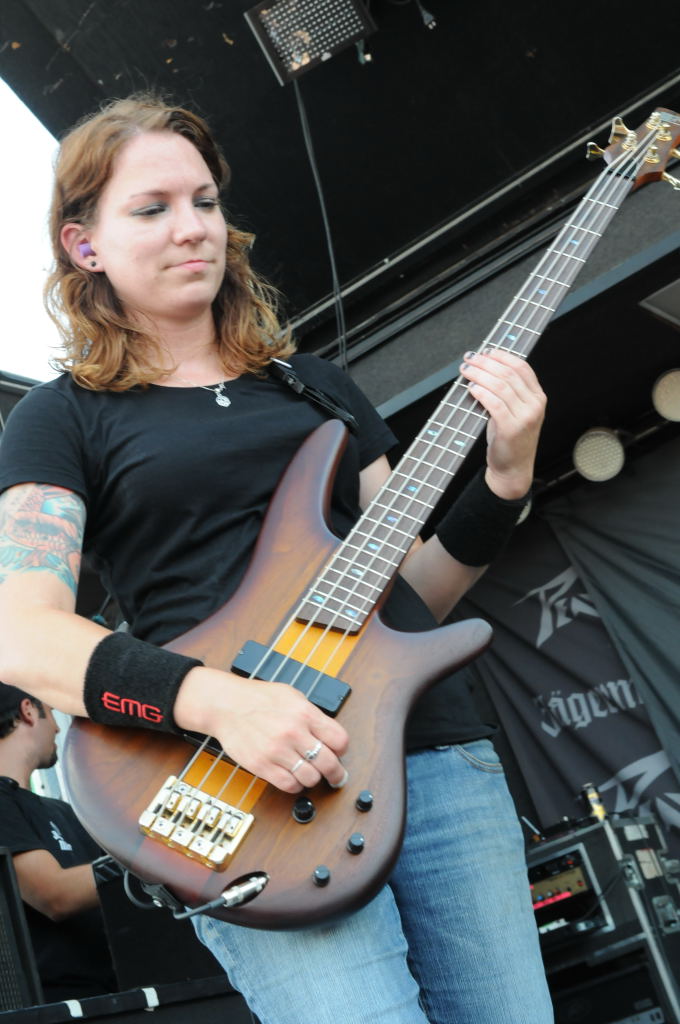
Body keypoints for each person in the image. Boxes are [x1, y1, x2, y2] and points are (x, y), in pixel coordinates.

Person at [0, 94, 553, 1023]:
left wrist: (505, 483)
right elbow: (22, 634)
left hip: (431, 758)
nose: (193, 228)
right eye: (152, 208)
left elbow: (407, 595)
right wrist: (222, 704)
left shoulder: (317, 388)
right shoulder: (61, 417)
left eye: (205, 202)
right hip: (238, 782)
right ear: (84, 245)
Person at [0, 682, 117, 1002]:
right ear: (28, 711)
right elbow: (54, 895)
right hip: (57, 1005)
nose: (57, 727)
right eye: (51, 712)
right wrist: (148, 859)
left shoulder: (63, 810)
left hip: (120, 993)